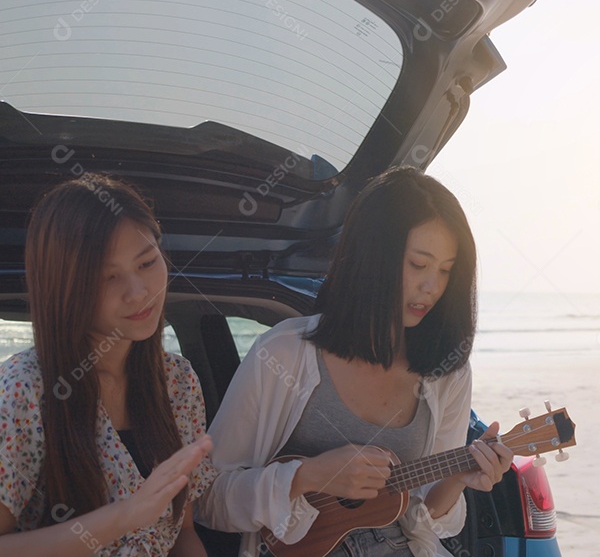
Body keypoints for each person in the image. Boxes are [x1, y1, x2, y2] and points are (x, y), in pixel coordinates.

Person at [196, 166, 513, 557]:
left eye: (446, 271)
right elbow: (207, 498)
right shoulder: (282, 353)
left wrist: (457, 480)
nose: (432, 287)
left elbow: (427, 518)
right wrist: (307, 477)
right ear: (373, 256)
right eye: (418, 265)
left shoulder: (447, 373)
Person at [0, 174, 216, 555]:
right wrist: (127, 514)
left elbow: (183, 533)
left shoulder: (178, 382)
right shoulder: (24, 388)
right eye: (108, 277)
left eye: (147, 262)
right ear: (64, 286)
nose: (139, 292)